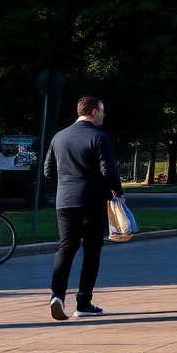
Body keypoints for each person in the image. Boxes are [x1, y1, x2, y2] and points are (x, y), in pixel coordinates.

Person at [44, 95, 123, 320]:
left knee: (66, 248)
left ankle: (57, 295)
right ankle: (83, 302)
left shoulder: (59, 137)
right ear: (94, 112)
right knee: (91, 250)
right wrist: (118, 193)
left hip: (65, 200)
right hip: (92, 201)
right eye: (103, 111)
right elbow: (108, 170)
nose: (104, 115)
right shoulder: (100, 137)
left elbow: (48, 171)